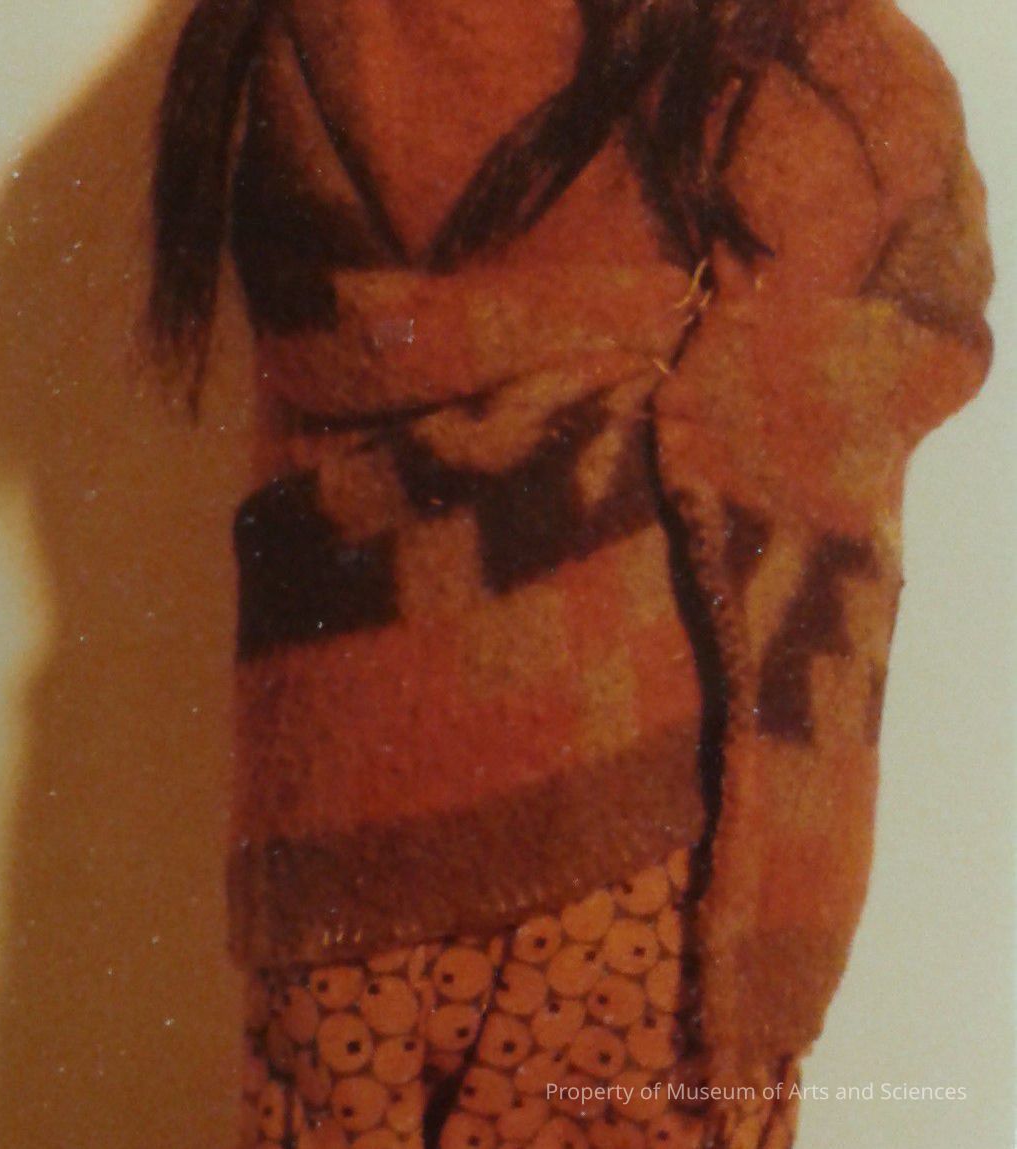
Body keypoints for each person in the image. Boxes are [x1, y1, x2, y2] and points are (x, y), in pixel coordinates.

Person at [147, 1, 993, 1146]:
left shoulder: (310, 31)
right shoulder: (820, 62)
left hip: (349, 832)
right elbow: (889, 293)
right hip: (650, 841)